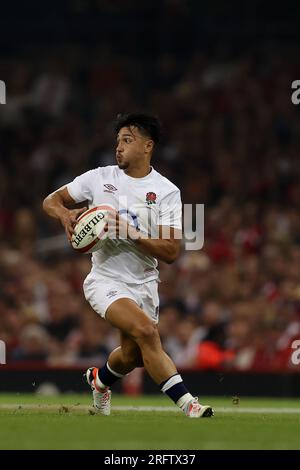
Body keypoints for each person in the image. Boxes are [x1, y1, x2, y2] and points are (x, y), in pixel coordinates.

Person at [43, 113, 213, 418]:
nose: (118, 147)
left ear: (148, 146)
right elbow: (51, 201)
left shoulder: (166, 192)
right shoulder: (99, 178)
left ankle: (99, 381)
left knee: (133, 356)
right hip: (105, 279)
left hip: (145, 282)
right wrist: (64, 215)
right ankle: (189, 404)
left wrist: (131, 233)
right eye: (117, 141)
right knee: (147, 332)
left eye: (127, 140)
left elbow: (172, 251)